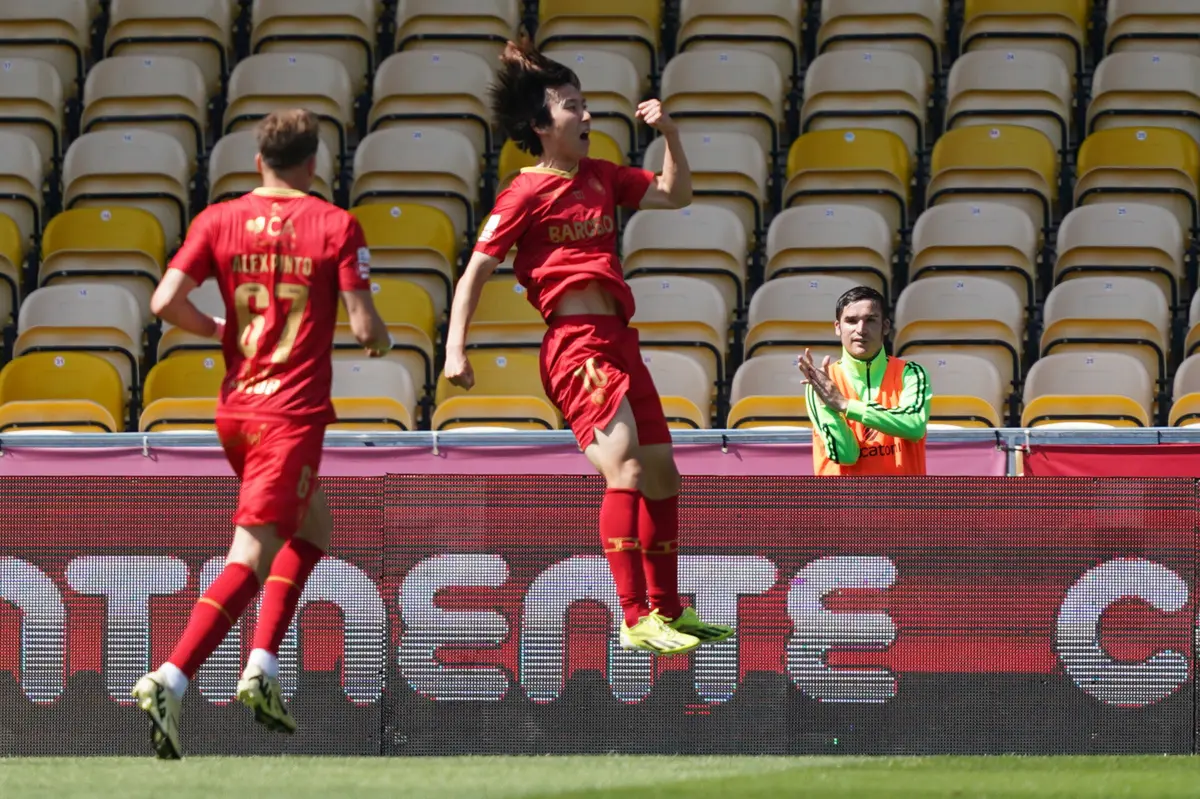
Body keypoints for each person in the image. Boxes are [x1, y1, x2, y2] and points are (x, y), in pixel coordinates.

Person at [443, 40, 733, 657]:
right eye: (573, 105)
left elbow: (676, 195)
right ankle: (633, 618)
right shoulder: (523, 193)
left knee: (662, 474)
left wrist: (672, 136)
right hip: (576, 347)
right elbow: (474, 273)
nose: (588, 116)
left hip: (619, 342)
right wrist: (454, 352)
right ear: (541, 125)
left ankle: (669, 610)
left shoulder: (602, 176)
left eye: (587, 103)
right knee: (625, 467)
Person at [132, 109, 392, 760]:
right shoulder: (335, 224)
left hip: (237, 410)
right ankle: (172, 677)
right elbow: (364, 328)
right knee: (249, 556)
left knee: (313, 530)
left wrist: (221, 327)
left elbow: (163, 302)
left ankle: (263, 667)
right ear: (314, 165)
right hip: (289, 414)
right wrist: (381, 334)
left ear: (257, 163)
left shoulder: (217, 219)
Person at [799, 285, 932, 476]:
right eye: (851, 321)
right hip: (845, 503)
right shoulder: (820, 383)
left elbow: (914, 426)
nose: (861, 330)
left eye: (870, 320)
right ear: (838, 327)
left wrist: (844, 405)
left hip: (903, 503)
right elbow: (846, 455)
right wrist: (829, 406)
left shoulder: (911, 373)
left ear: (885, 326)